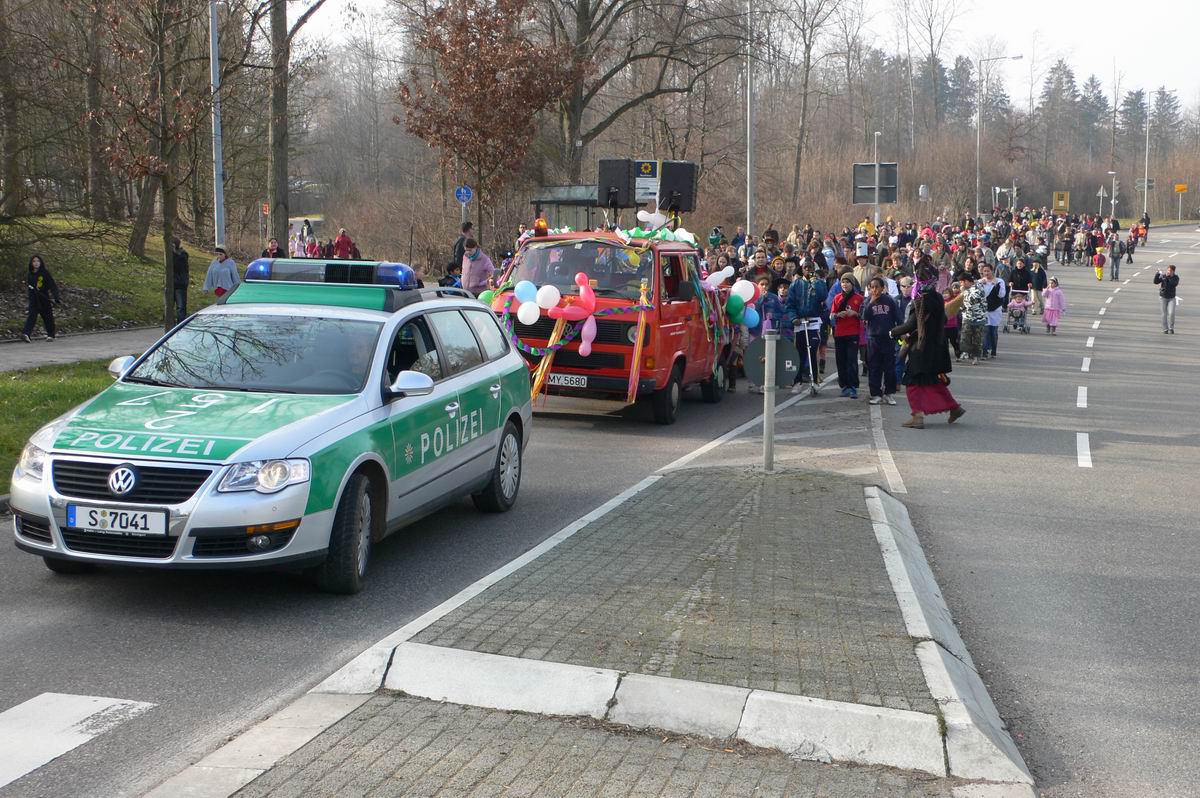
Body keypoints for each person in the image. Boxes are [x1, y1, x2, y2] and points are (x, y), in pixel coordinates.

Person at [890, 284, 965, 429]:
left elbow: (911, 324)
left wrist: (892, 332)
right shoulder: (938, 298)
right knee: (931, 380)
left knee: (912, 381)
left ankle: (917, 416)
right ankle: (954, 408)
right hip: (937, 345)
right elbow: (943, 319)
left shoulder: (920, 301)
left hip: (921, 347)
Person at [861, 276, 900, 405]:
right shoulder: (868, 301)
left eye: (877, 287)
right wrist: (871, 302)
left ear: (882, 288)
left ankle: (889, 393)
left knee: (889, 368)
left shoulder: (890, 301)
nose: (874, 290)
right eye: (872, 287)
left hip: (888, 338)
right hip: (873, 339)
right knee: (874, 367)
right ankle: (875, 394)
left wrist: (901, 332)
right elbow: (864, 317)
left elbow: (898, 318)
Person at [830, 274, 863, 399]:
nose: (845, 284)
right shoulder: (837, 297)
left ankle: (853, 387)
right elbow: (831, 314)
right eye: (843, 282)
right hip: (839, 333)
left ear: (852, 284)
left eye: (847, 282)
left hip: (853, 333)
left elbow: (863, 315)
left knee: (852, 360)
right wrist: (838, 315)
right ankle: (844, 386)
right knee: (841, 360)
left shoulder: (859, 298)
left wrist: (855, 313)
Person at [22, 254, 60, 342]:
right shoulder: (30, 274)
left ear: (41, 262)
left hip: (44, 298)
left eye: (38, 261)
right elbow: (30, 288)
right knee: (31, 316)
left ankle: (50, 335)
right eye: (34, 261)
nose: (36, 263)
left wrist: (56, 297)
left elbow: (52, 285)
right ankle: (26, 334)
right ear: (31, 263)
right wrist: (31, 297)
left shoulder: (45, 273)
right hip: (34, 299)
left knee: (48, 317)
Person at [958, 271, 987, 364]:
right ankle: (965, 353)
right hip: (967, 317)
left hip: (978, 318)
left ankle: (976, 357)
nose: (961, 285)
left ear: (966, 281)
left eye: (961, 282)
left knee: (977, 339)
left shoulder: (978, 288)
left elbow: (972, 300)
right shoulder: (967, 289)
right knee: (964, 336)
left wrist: (963, 292)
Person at [978, 263, 1006, 359]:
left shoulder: (1000, 281)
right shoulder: (980, 282)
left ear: (992, 271)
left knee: (993, 331)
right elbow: (977, 295)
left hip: (995, 310)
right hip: (984, 310)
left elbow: (1002, 295)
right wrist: (980, 284)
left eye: (988, 271)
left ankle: (993, 350)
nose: (986, 273)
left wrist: (996, 285)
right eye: (984, 271)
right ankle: (984, 352)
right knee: (985, 331)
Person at [1154, 265, 1180, 334]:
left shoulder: (1176, 277)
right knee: (1164, 314)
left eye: (1170, 271)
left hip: (1171, 298)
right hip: (1163, 297)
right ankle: (1165, 329)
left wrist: (1167, 277)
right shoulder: (1163, 276)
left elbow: (1173, 284)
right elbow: (1155, 282)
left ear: (1173, 271)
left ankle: (1171, 328)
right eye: (1168, 270)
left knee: (1171, 313)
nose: (1168, 272)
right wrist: (1157, 274)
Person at [172, 237, 189, 324]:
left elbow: (178, 266)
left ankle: (180, 324)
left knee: (181, 307)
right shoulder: (171, 255)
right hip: (171, 284)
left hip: (180, 284)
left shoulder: (182, 255)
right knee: (169, 306)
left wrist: (173, 254)